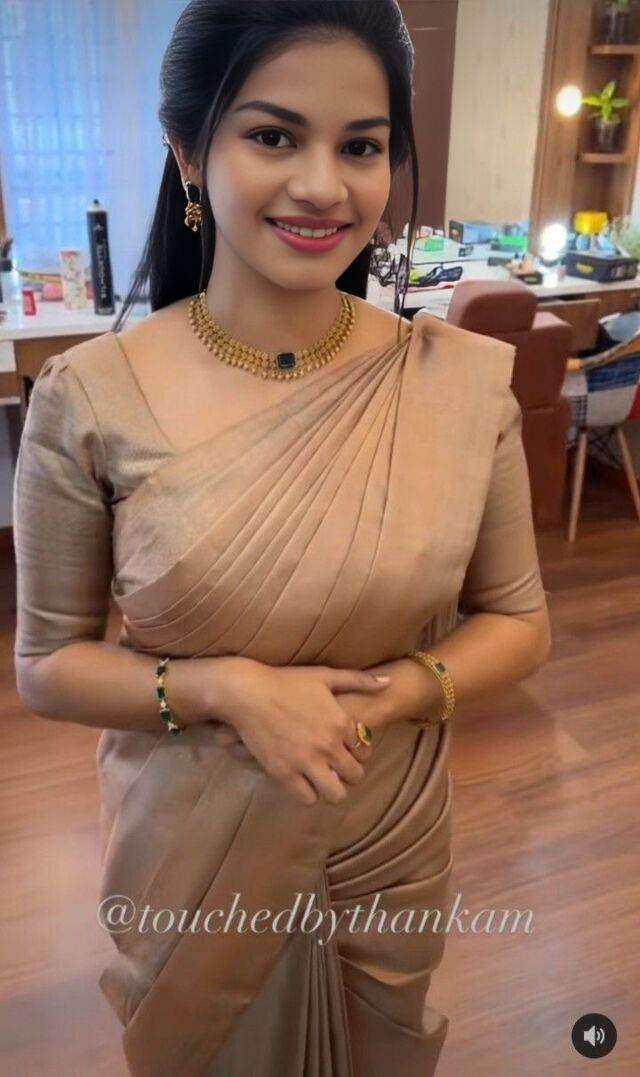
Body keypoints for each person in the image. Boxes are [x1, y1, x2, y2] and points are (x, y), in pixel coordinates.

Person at [12, 2, 552, 1075]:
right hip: (194, 856)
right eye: (272, 135)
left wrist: (388, 697)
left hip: (385, 840)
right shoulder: (90, 396)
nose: (322, 185)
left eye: (361, 146)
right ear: (187, 151)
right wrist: (228, 691)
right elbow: (48, 666)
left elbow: (518, 621)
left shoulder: (455, 386)